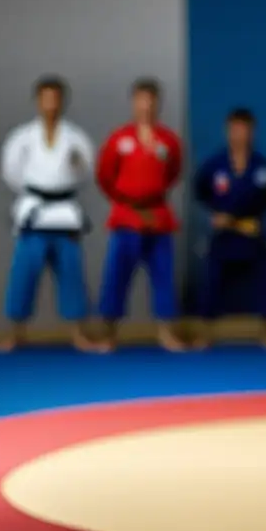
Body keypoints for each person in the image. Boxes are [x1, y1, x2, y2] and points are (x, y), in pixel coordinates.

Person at [0, 75, 104, 353]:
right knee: (23, 274)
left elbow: (88, 171)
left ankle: (78, 334)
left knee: (72, 274)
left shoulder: (76, 137)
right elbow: (10, 170)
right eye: (46, 98)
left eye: (55, 98)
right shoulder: (22, 136)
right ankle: (15, 333)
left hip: (65, 212)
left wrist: (77, 165)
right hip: (35, 209)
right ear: (37, 101)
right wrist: (34, 192)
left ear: (63, 102)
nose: (51, 104)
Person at [95, 78, 185, 352]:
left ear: (158, 103)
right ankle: (109, 334)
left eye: (151, 100)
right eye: (140, 100)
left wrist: (151, 198)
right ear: (133, 103)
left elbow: (173, 173)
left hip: (158, 216)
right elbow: (104, 176)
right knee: (117, 276)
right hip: (126, 216)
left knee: (163, 276)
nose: (146, 106)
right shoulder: (118, 139)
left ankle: (166, 333)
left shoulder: (168, 141)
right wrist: (129, 202)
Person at [191, 108, 266, 352]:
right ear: (228, 131)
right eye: (235, 130)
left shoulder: (262, 166)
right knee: (211, 279)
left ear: (252, 132)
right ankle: (205, 332)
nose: (240, 135)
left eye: (245, 130)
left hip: (251, 231)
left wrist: (257, 218)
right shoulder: (215, 165)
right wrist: (215, 214)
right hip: (223, 233)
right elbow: (199, 191)